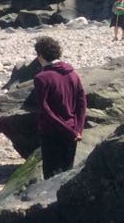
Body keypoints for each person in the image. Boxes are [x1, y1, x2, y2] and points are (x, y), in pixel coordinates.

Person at [30, 36, 87, 178]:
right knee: (67, 172)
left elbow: (45, 109)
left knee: (51, 174)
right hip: (72, 129)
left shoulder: (41, 78)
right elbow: (82, 102)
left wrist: (69, 131)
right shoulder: (72, 74)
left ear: (41, 56)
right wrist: (77, 129)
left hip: (52, 132)